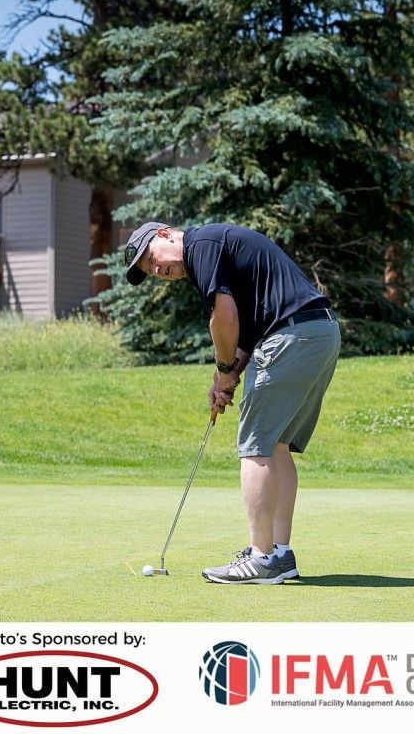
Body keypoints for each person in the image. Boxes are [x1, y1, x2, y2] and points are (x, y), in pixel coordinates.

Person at [124, 221, 341, 584]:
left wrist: (224, 370)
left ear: (164, 234)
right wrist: (225, 377)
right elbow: (246, 331)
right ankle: (279, 555)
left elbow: (222, 318)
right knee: (276, 446)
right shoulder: (214, 248)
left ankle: (261, 557)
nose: (157, 270)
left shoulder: (200, 245)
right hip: (319, 332)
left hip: (290, 336)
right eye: (149, 271)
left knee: (256, 448)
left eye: (151, 258)